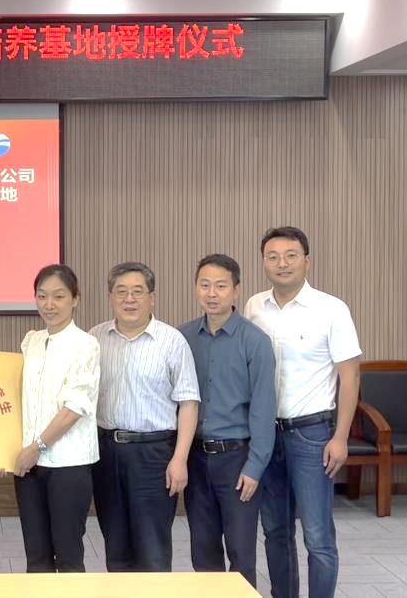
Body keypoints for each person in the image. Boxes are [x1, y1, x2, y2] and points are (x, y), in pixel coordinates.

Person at [245, 227, 361, 598]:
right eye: (273, 256)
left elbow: (350, 376)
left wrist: (340, 437)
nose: (282, 263)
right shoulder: (253, 307)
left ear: (306, 261)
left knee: (317, 536)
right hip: (266, 436)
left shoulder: (331, 309)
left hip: (313, 435)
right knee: (275, 531)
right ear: (264, 262)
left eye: (291, 255)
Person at [90, 261, 200, 572]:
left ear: (152, 298)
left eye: (138, 292)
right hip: (105, 452)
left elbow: (189, 403)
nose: (129, 299)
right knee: (115, 547)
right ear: (110, 297)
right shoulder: (94, 339)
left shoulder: (172, 341)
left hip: (154, 454)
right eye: (121, 291)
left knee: (153, 550)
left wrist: (180, 459)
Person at [0, 264, 100, 572]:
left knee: (68, 555)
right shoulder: (32, 341)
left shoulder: (85, 344)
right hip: (29, 466)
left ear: (75, 299)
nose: (49, 304)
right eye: (42, 296)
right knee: (36, 556)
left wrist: (36, 447)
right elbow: (17, 400)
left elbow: (74, 408)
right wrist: (1, 452)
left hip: (68, 465)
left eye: (59, 296)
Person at [178, 254, 276, 587]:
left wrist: (255, 467)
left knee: (241, 553)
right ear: (196, 289)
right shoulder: (183, 338)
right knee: (203, 552)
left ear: (236, 290)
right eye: (205, 285)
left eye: (220, 286)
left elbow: (263, 409)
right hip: (196, 457)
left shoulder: (255, 341)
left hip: (237, 460)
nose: (212, 293)